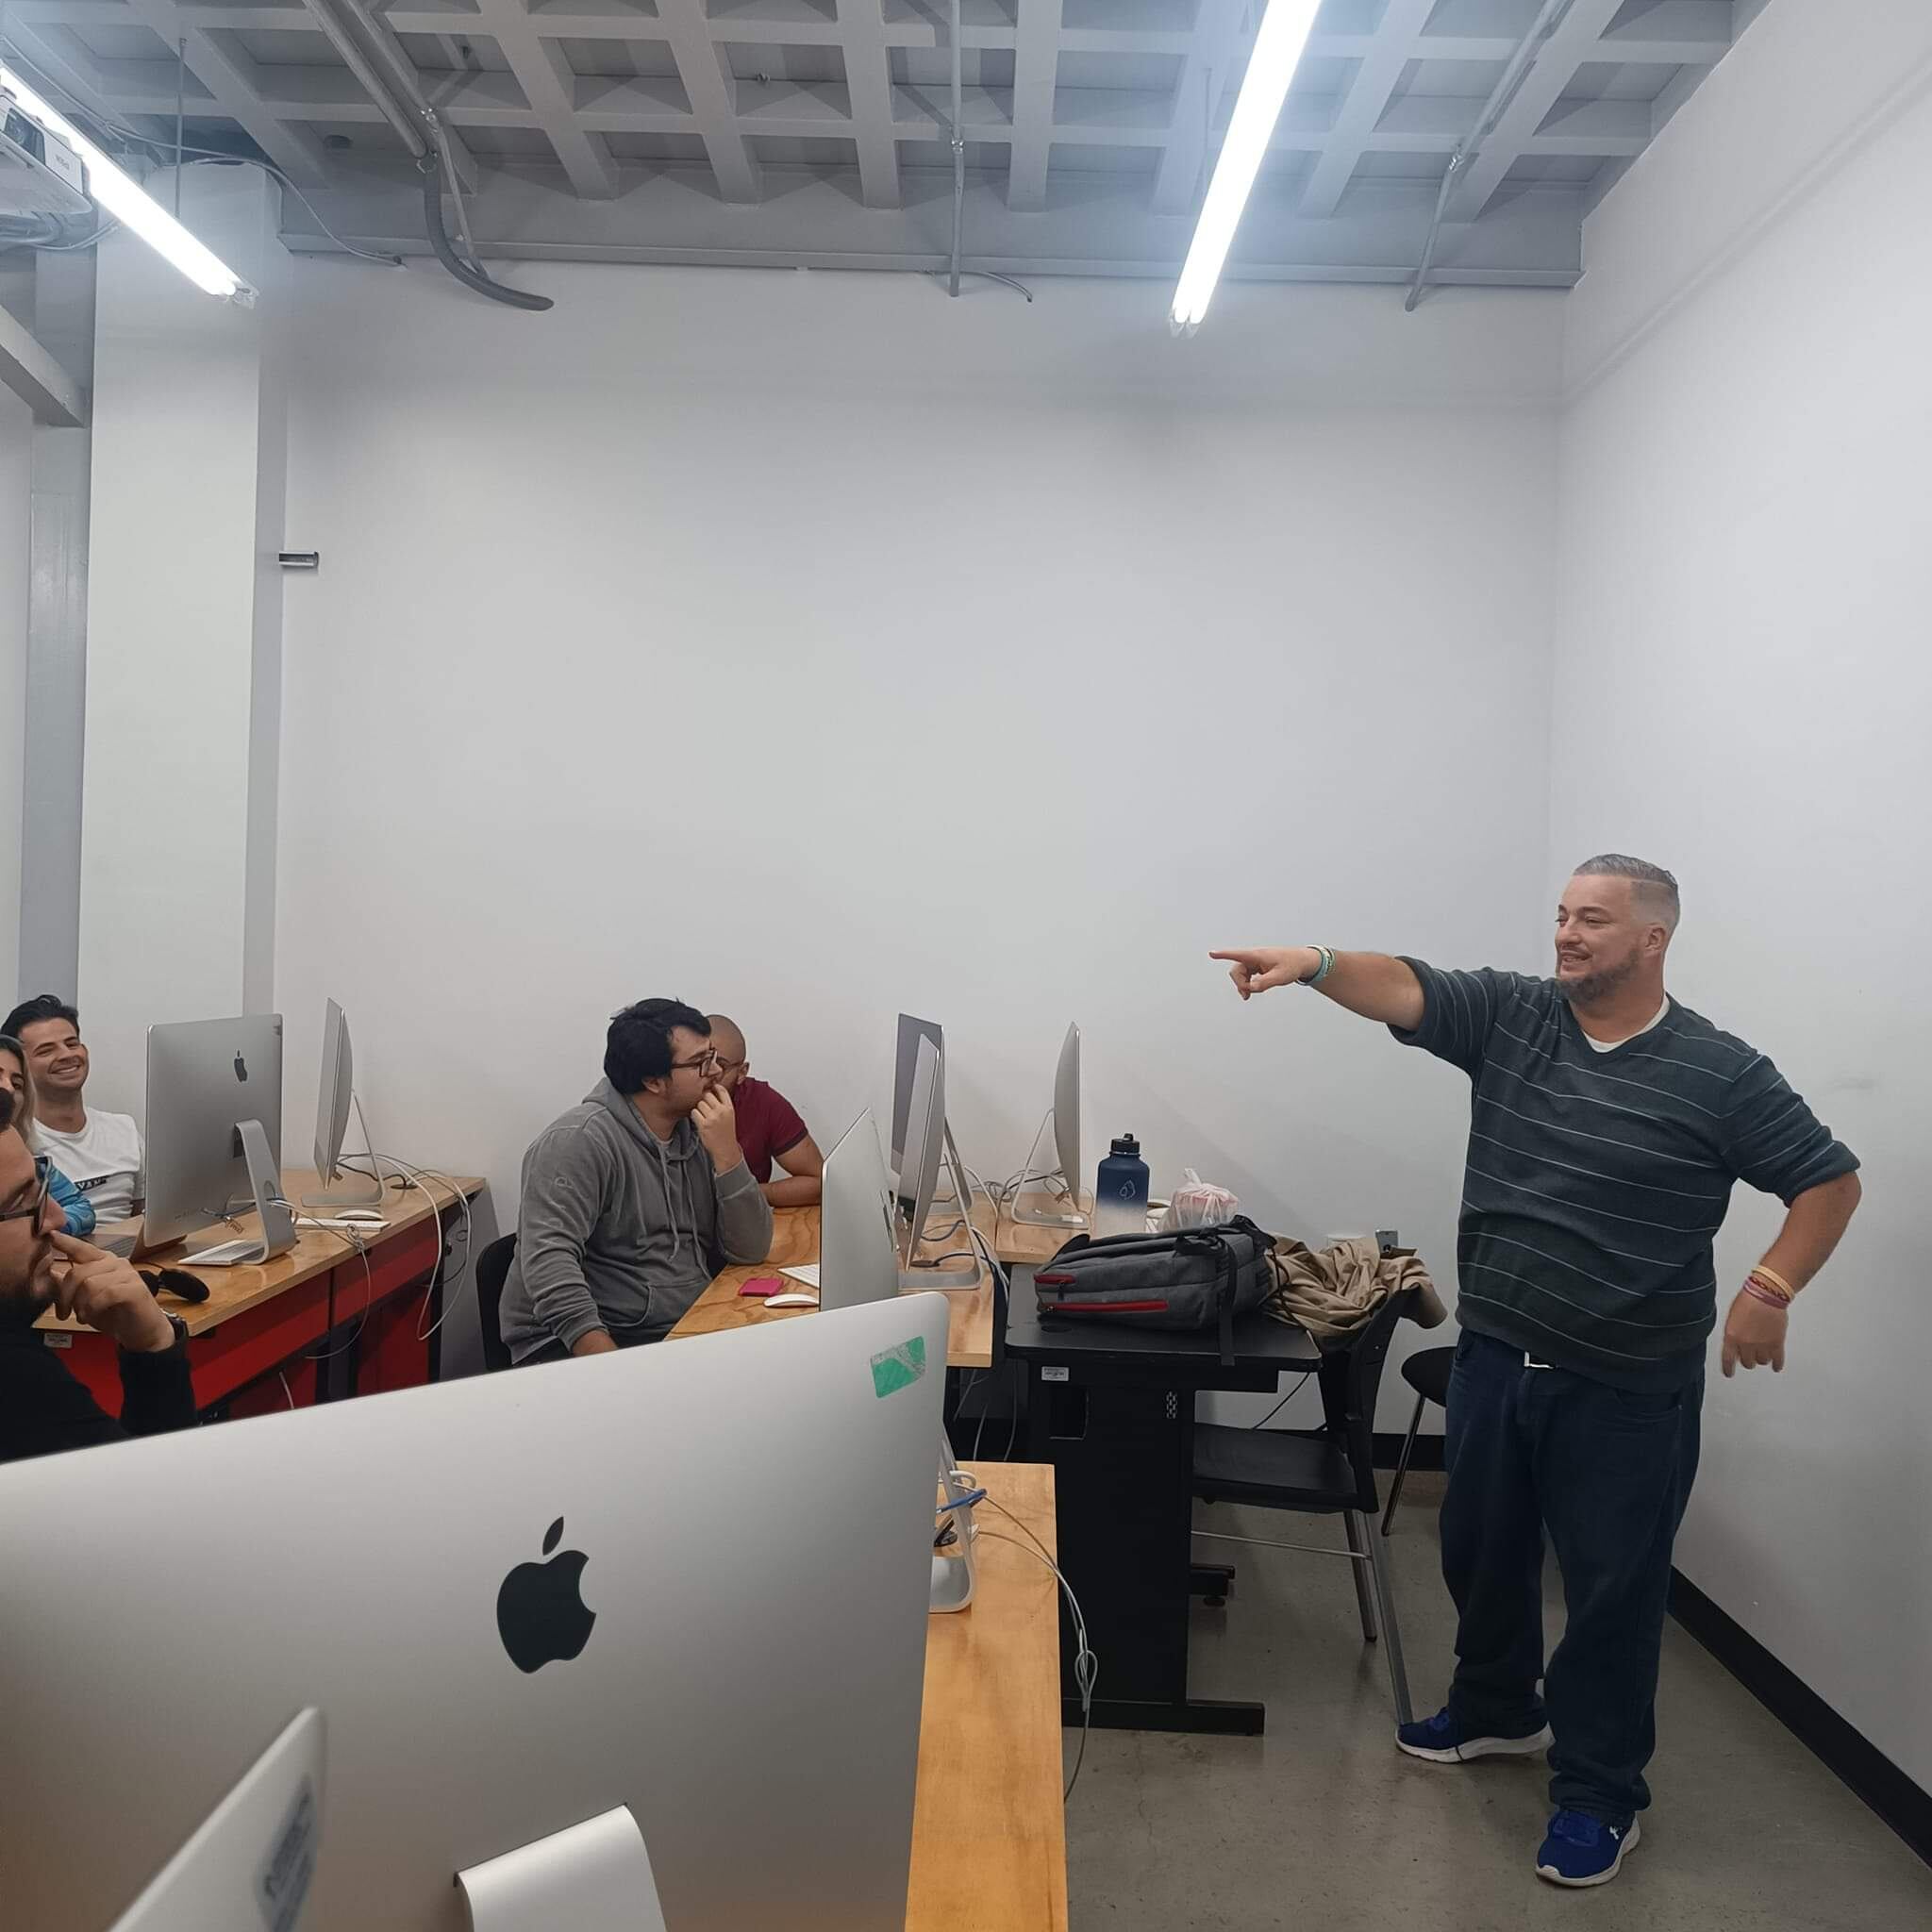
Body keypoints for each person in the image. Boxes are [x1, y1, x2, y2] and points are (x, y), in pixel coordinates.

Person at [1211, 855, 1861, 1890]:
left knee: (1610, 1594)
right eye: (1561, 914)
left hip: (1625, 1384)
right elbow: (1409, 984)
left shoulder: (1720, 1071)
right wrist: (1316, 962)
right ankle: (1496, 1708)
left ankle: (1599, 1792)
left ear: (1652, 938)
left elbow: (1827, 1181)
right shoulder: (1516, 1016)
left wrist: (1770, 1288)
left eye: (1591, 919)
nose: (1565, 933)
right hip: (1495, 1355)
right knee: (1479, 1550)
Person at [497, 999, 774, 1363]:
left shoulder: (698, 1130)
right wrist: (616, 1371)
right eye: (700, 1063)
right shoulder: (577, 1143)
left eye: (713, 1056)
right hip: (585, 1343)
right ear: (653, 1081)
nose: (715, 1072)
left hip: (677, 1323)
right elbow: (550, 1267)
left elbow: (751, 1249)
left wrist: (728, 1154)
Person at [0, 1085, 196, 1464]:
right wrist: (156, 1347)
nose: (56, 1218)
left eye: (41, 1187)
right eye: (23, 1202)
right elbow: (163, 1494)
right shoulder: (15, 1375)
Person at [1, 995, 144, 1224]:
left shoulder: (124, 1128)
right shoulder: (20, 1145)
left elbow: (147, 1222)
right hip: (49, 1245)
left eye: (71, 1044)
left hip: (124, 1245)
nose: (66, 1055)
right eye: (46, 1050)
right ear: (21, 1064)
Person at [706, 1014, 824, 1208]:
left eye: (720, 1066)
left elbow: (818, 1183)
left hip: (740, 1218)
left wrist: (747, 1193)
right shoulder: (673, 1101)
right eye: (699, 1063)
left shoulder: (762, 1102)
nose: (707, 1074)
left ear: (741, 1072)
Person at [0, 1037, 96, 1237]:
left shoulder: (36, 1165)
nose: (8, 1088)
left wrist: (39, 1227)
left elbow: (83, 1210)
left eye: (17, 1084)